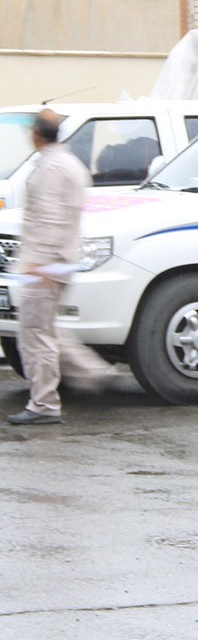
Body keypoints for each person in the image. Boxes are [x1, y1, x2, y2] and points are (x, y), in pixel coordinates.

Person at [7, 109, 115, 425]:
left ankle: (44, 405)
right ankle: (93, 373)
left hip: (45, 264)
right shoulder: (68, 163)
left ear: (37, 134)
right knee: (47, 329)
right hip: (58, 261)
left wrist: (38, 265)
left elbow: (49, 219)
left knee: (35, 335)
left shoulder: (52, 168)